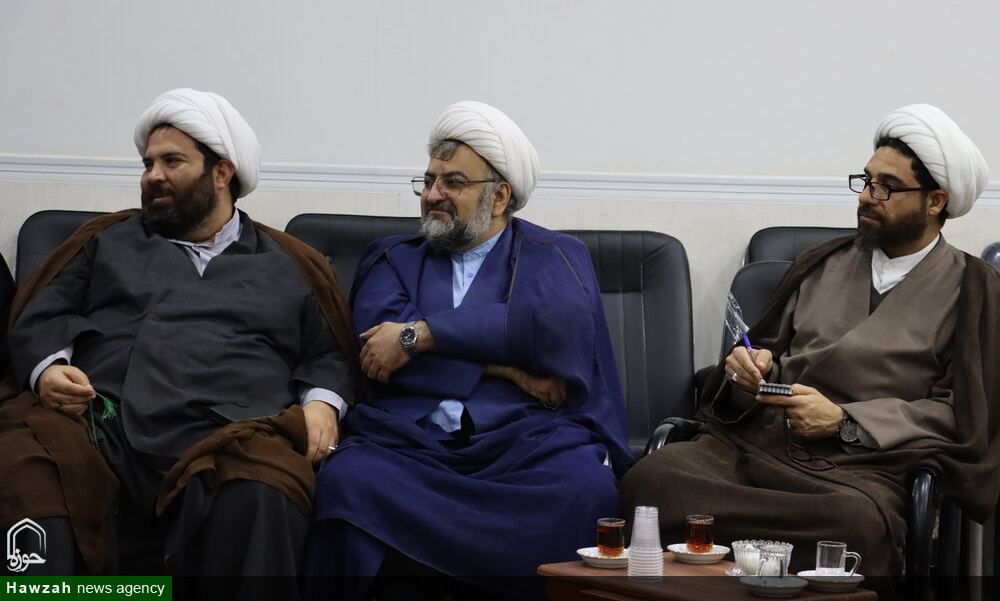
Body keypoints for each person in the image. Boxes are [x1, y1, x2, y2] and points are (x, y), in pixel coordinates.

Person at [0, 88, 360, 591]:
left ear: (222, 173)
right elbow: (43, 314)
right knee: (27, 467)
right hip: (102, 424)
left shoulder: (291, 262)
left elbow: (329, 351)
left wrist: (322, 404)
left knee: (266, 488)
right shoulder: (105, 242)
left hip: (233, 433)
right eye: (148, 163)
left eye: (172, 162)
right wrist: (48, 370)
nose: (153, 176)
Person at [620, 103, 1000, 576]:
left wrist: (845, 421)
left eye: (887, 187)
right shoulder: (822, 262)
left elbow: (962, 410)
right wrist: (749, 369)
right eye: (865, 181)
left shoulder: (974, 288)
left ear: (935, 201)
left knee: (857, 525)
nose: (867, 197)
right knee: (653, 482)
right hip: (760, 445)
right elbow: (766, 360)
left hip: (861, 468)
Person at [304, 101, 631, 598]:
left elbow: (553, 334)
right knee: (348, 482)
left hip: (524, 444)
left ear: (499, 196)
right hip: (406, 446)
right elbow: (380, 355)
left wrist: (421, 336)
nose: (432, 194)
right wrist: (511, 368)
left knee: (586, 490)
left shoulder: (556, 256)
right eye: (428, 181)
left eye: (453, 182)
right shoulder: (391, 257)